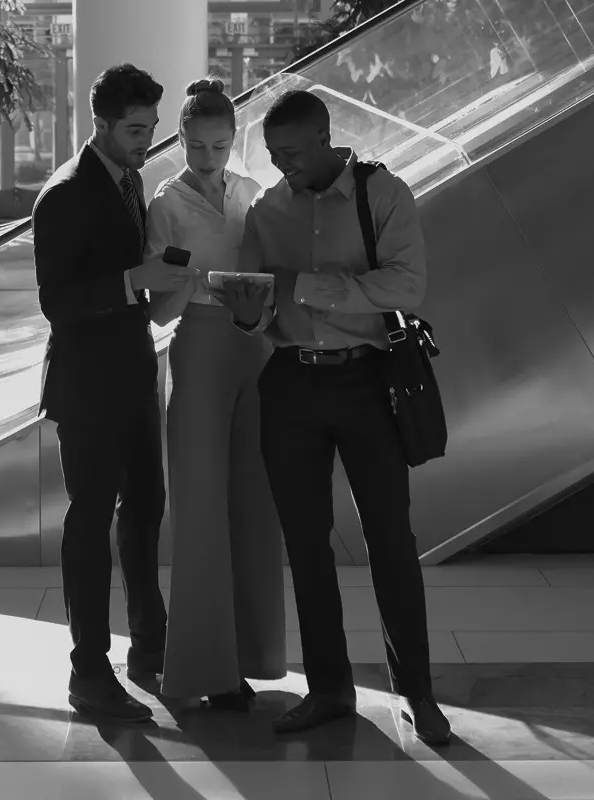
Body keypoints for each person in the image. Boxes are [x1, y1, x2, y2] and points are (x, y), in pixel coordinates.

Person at [216, 89, 452, 744]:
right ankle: (328, 690)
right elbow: (263, 303)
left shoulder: (384, 195)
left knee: (390, 541)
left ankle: (417, 694)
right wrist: (248, 310)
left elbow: (407, 286)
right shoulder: (267, 209)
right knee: (307, 545)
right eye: (272, 155)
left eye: (291, 153)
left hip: (369, 382)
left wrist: (309, 286)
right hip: (290, 385)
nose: (281, 165)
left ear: (324, 138)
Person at [32, 63, 194, 723]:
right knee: (90, 520)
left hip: (131, 376)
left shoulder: (130, 181)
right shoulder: (66, 193)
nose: (145, 140)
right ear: (100, 123)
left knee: (145, 508)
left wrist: (161, 287)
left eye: (150, 129)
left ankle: (147, 645)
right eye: (134, 129)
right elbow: (57, 302)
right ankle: (88, 669)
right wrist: (137, 279)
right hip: (88, 385)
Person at [143, 77, 287, 711]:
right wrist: (192, 278)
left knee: (255, 502)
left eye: (220, 145)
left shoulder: (252, 193)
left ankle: (252, 657)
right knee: (200, 507)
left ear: (235, 139)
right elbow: (157, 309)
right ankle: (206, 668)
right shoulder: (165, 204)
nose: (209, 157)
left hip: (254, 343)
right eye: (197, 146)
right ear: (181, 141)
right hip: (199, 344)